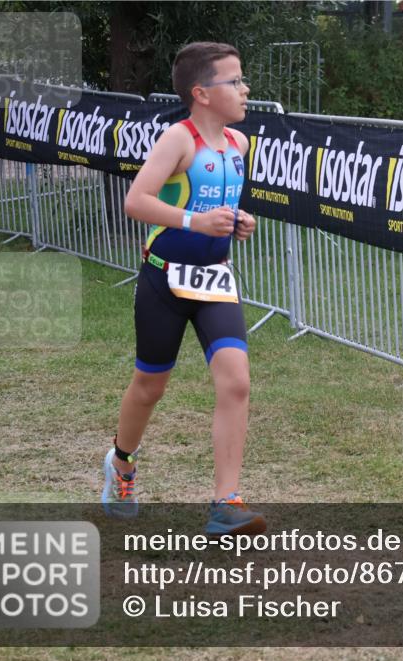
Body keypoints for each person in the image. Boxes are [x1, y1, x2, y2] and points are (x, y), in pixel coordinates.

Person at [101, 41, 265, 536]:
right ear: (202, 93)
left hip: (215, 281)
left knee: (236, 380)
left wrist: (236, 223)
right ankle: (122, 464)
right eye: (233, 81)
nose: (244, 89)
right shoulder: (179, 138)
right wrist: (196, 220)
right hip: (163, 280)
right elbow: (136, 201)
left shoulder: (239, 145)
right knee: (150, 386)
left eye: (242, 79)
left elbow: (218, 211)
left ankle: (226, 501)